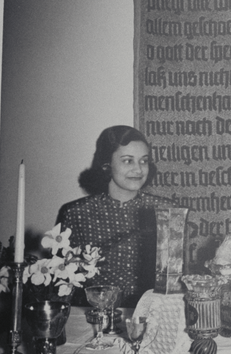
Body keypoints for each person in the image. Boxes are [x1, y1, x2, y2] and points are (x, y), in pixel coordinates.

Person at [56, 125, 171, 308]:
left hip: (151, 315)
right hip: (94, 316)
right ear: (106, 165)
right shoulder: (76, 213)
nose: (138, 169)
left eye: (144, 161)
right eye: (128, 161)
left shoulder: (166, 211)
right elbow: (63, 279)